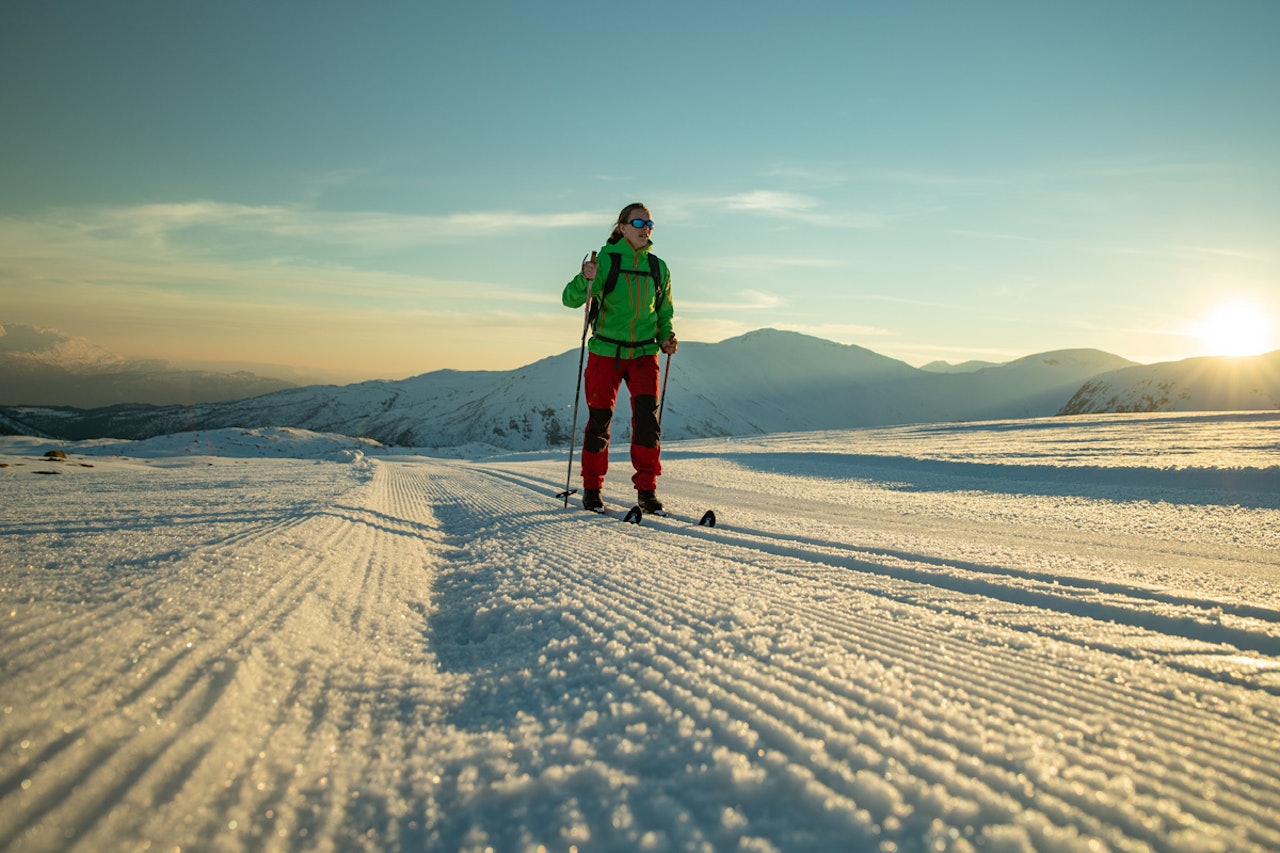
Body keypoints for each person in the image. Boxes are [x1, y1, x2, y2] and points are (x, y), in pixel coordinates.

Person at [562, 202, 678, 513]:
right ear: (622, 227)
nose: (646, 229)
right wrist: (584, 278)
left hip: (643, 353)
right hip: (606, 352)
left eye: (650, 224)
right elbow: (570, 299)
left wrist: (666, 337)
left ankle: (647, 491)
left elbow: (664, 312)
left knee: (647, 424)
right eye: (639, 222)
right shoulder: (606, 263)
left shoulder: (658, 267)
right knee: (599, 422)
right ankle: (591, 489)